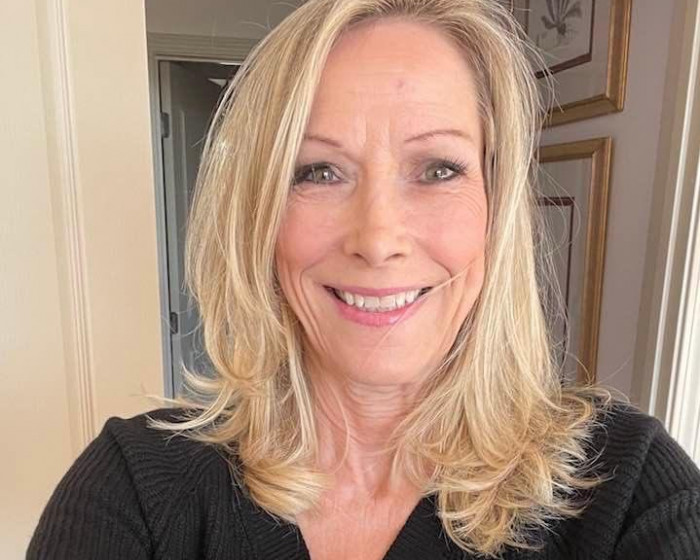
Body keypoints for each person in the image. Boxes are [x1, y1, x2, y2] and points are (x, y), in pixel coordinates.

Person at [28, 0, 700, 558]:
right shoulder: (132, 488)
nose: (378, 240)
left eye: (438, 169)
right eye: (318, 171)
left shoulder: (630, 489)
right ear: (258, 214)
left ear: (495, 208)